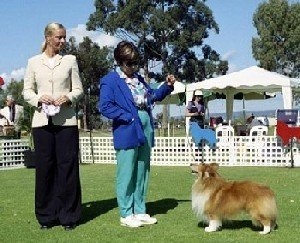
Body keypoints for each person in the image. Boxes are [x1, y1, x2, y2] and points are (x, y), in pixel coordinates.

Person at [99, 41, 176, 228]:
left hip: (146, 125)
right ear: (119, 61)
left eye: (135, 63)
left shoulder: (139, 79)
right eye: (129, 63)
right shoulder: (110, 80)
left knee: (143, 171)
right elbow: (105, 106)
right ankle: (126, 214)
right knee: (126, 172)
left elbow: (152, 96)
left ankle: (140, 210)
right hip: (127, 128)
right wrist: (128, 117)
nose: (133, 67)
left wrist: (166, 86)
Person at [23, 22, 83, 230]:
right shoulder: (33, 62)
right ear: (48, 37)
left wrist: (67, 97)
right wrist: (39, 99)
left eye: (64, 37)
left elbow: (79, 90)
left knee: (68, 168)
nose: (63, 41)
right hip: (41, 123)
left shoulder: (70, 60)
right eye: (59, 37)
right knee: (45, 170)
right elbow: (27, 91)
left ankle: (69, 216)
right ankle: (46, 216)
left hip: (66, 121)